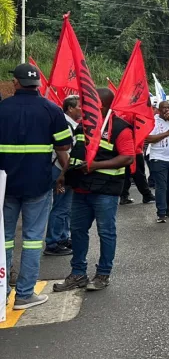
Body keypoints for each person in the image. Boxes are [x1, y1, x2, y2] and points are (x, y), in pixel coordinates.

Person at [1, 63, 74, 309]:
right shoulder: (52, 110)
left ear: (16, 83)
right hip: (38, 184)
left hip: (4, 185)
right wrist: (64, 175)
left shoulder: (2, 108)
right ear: (38, 84)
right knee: (32, 240)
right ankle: (24, 295)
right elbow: (63, 150)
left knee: (4, 239)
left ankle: (1, 295)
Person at [54, 88, 135, 292]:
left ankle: (103, 274)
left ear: (101, 104)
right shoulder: (84, 126)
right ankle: (78, 273)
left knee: (106, 232)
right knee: (78, 231)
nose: (84, 106)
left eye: (89, 102)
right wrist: (63, 173)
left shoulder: (120, 128)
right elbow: (76, 153)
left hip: (105, 191)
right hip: (81, 188)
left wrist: (95, 166)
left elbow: (127, 157)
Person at [44, 95, 82, 256]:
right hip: (60, 169)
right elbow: (62, 152)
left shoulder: (72, 124)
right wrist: (66, 173)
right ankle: (53, 242)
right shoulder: (65, 124)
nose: (83, 109)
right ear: (70, 108)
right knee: (61, 207)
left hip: (64, 168)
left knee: (66, 207)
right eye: (80, 106)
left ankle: (62, 237)